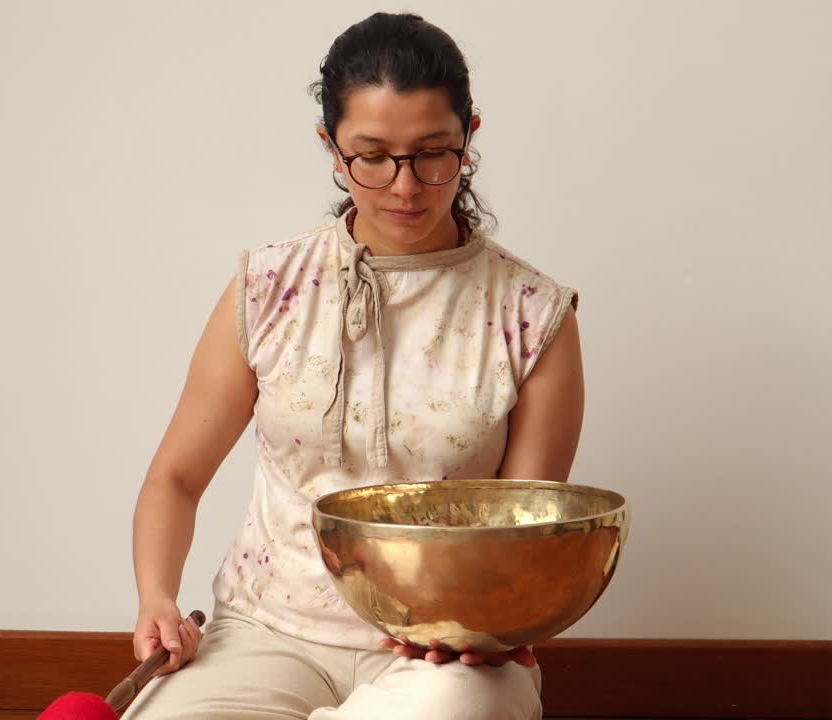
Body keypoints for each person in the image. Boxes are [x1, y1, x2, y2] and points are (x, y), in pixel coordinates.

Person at [123, 12, 583, 720]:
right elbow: (175, 478)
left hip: (446, 653)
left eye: (434, 153)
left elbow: (515, 544)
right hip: (266, 632)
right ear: (332, 150)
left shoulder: (532, 315)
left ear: (470, 138)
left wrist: (481, 630)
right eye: (372, 156)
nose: (405, 187)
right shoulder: (267, 286)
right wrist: (157, 597)